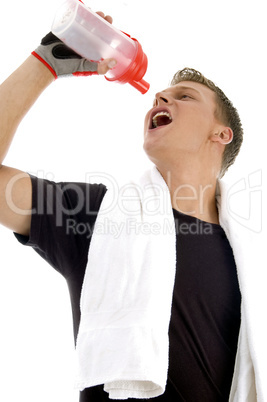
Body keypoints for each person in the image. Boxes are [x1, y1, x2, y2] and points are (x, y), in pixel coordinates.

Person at [0, 11, 265, 402]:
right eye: (162, 95)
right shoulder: (96, 216)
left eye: (184, 96)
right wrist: (44, 64)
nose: (160, 97)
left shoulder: (255, 260)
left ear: (220, 134)